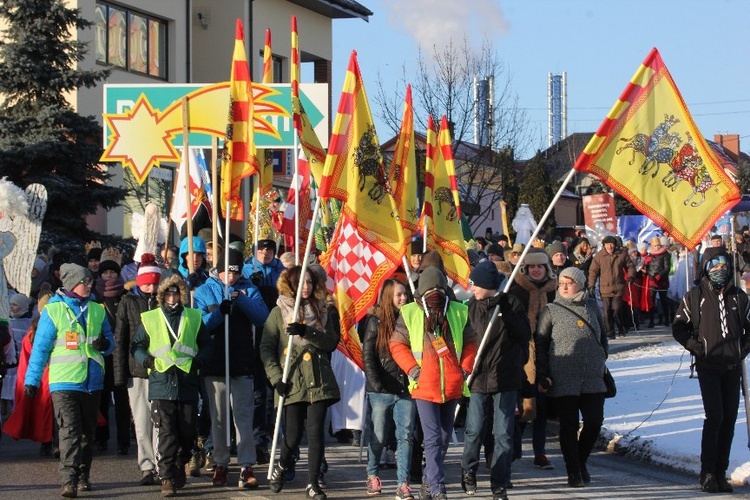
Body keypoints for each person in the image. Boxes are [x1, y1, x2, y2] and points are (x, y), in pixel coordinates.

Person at [24, 263, 115, 497]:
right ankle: (69, 480)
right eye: (85, 281)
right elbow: (41, 348)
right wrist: (32, 380)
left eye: (90, 281)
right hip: (64, 382)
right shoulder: (53, 311)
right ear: (71, 283)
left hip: (92, 381)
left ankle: (84, 475)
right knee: (69, 431)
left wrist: (105, 346)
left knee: (88, 433)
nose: (89, 285)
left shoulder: (97, 309)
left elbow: (110, 340)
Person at [390, 267, 478, 500]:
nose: (435, 292)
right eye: (430, 289)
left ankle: (428, 483)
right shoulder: (409, 312)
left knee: (444, 437)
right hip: (423, 387)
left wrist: (464, 369)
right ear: (421, 291)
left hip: (452, 385)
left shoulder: (459, 311)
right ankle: (438, 487)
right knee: (432, 439)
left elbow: (471, 343)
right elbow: (396, 345)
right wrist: (413, 370)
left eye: (439, 288)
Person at [673, 247, 750, 494]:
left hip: (732, 366)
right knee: (714, 416)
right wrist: (696, 347)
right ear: (706, 268)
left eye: (724, 265)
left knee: (728, 420)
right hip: (708, 365)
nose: (720, 270)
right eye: (714, 266)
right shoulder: (694, 297)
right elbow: (679, 327)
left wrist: (742, 350)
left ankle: (720, 472)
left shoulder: (739, 297)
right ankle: (707, 472)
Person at [261, 265, 341, 500]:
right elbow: (266, 348)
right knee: (293, 436)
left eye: (309, 282)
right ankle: (283, 466)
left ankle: (313, 483)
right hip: (292, 381)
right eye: (300, 283)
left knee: (316, 434)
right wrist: (276, 379)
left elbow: (331, 342)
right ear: (291, 285)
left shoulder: (325, 310)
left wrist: (307, 331)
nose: (305, 287)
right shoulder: (278, 312)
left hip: (318, 380)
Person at [193, 248, 269, 489]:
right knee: (218, 418)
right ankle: (221, 463)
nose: (232, 277)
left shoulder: (249, 289)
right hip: (214, 363)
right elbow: (200, 326)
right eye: (228, 272)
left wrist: (241, 299)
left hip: (241, 362)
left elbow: (262, 318)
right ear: (220, 270)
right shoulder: (205, 290)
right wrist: (219, 315)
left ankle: (246, 465)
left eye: (236, 272)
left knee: (243, 417)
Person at [131, 274, 211, 498]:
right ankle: (166, 478)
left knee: (187, 433)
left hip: (186, 381)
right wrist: (146, 361)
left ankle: (180, 462)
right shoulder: (151, 318)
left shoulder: (193, 317)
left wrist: (200, 360)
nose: (172, 296)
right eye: (168, 292)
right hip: (161, 382)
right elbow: (136, 345)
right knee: (167, 433)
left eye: (176, 292)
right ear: (161, 295)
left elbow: (206, 344)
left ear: (182, 294)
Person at [461, 261, 530, 500]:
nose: (472, 288)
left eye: (475, 284)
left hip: (506, 379)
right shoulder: (469, 307)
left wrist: (507, 313)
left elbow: (524, 335)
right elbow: (462, 342)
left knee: (503, 434)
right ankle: (468, 470)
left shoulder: (511, 304)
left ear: (488, 285)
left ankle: (499, 483)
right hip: (478, 378)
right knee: (475, 430)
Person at [535, 267, 608, 488]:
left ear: (581, 284)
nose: (565, 287)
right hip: (563, 376)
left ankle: (581, 460)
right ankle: (573, 470)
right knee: (568, 425)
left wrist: (602, 357)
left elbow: (603, 336)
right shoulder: (551, 310)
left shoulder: (593, 306)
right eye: (561, 283)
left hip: (593, 376)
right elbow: (540, 344)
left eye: (570, 282)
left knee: (594, 422)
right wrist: (543, 374)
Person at [362, 279, 416, 499]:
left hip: (406, 388)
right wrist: (375, 383)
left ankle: (403, 483)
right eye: (399, 295)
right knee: (379, 435)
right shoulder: (375, 321)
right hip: (381, 389)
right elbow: (368, 355)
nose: (403, 298)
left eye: (405, 294)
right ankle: (372, 474)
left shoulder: (413, 319)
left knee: (405, 436)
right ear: (388, 298)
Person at [113, 253, 162, 486]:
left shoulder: (165, 301)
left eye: (155, 283)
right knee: (142, 421)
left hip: (162, 370)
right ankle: (146, 465)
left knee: (161, 420)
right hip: (137, 372)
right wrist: (119, 375)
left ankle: (162, 462)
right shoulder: (127, 302)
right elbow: (120, 340)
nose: (151, 288)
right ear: (139, 282)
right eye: (147, 283)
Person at [508, 248, 557, 469]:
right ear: (525, 269)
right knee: (522, 405)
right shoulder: (515, 289)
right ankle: (513, 447)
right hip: (521, 352)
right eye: (532, 267)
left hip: (548, 351)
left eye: (540, 266)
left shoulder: (555, 291)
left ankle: (540, 452)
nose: (536, 270)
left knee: (542, 406)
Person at [588, 235, 636, 339]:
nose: (610, 246)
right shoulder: (599, 256)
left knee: (617, 309)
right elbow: (593, 272)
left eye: (612, 244)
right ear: (604, 245)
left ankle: (620, 327)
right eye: (607, 244)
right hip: (605, 288)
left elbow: (630, 266)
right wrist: (591, 285)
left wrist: (631, 276)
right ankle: (610, 331)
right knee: (607, 311)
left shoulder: (621, 254)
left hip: (618, 287)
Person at [646, 237, 672, 328]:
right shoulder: (650, 255)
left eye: (658, 245)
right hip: (652, 280)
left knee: (663, 300)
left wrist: (659, 275)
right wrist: (648, 269)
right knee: (651, 300)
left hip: (662, 280)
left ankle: (666, 319)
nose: (657, 247)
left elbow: (667, 268)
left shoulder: (665, 254)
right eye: (655, 246)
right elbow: (647, 268)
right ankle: (651, 320)